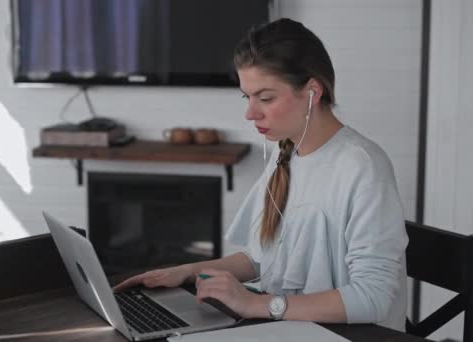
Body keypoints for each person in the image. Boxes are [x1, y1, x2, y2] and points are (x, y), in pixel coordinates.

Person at [114, 18, 408, 331]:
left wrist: (255, 304)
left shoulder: (362, 166)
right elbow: (260, 259)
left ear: (312, 91)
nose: (250, 113)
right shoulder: (285, 153)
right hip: (288, 328)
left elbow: (374, 297)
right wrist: (186, 272)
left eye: (265, 98)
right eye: (247, 97)